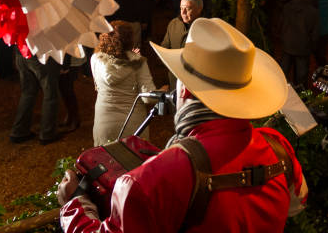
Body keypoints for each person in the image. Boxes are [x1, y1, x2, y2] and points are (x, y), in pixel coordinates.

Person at [57, 17, 308, 232]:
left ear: (184, 89)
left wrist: (74, 203)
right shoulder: (278, 147)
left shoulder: (152, 179)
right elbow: (295, 206)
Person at [90, 21, 157, 146]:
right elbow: (148, 98)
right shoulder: (139, 62)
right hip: (133, 125)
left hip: (105, 123)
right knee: (134, 163)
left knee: (106, 161)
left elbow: (97, 86)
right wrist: (162, 91)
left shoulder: (95, 59)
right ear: (130, 39)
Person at [10, 49, 62, 145]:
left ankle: (19, 131)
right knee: (50, 95)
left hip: (22, 51)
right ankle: (47, 133)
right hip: (42, 54)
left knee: (28, 92)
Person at [280, 0, 319, 90]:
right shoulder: (313, 12)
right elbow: (315, 34)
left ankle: (279, 96)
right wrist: (313, 47)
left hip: (287, 44)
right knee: (301, 78)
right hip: (303, 47)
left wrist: (283, 38)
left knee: (282, 74)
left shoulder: (287, 7)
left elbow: (280, 24)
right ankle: (301, 99)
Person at [160, 0, 203, 88]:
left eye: (187, 9)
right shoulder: (174, 24)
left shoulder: (205, 28)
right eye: (181, 8)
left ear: (199, 9)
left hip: (195, 83)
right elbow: (164, 48)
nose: (183, 12)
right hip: (174, 80)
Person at [59, 54, 87, 132]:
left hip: (71, 61)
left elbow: (69, 45)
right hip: (65, 60)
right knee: (64, 90)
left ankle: (75, 119)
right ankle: (70, 116)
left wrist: (65, 66)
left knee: (68, 90)